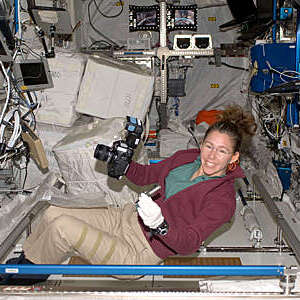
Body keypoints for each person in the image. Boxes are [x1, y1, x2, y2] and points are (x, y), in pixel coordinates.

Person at [1, 104, 257, 285]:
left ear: (234, 157)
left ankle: (25, 275)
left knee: (63, 228)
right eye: (209, 146)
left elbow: (190, 243)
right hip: (125, 218)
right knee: (53, 211)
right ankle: (30, 260)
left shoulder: (222, 199)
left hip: (140, 250)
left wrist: (161, 225)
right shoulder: (186, 159)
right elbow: (146, 176)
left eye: (222, 152)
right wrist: (123, 165)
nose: (211, 156)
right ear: (202, 144)